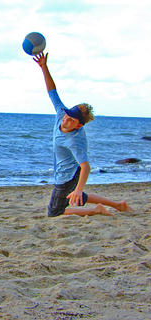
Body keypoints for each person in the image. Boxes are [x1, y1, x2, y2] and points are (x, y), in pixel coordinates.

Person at [33, 52, 132, 217]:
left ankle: (96, 210)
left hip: (67, 176)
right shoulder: (61, 114)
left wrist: (78, 188)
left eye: (71, 119)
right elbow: (52, 91)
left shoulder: (74, 141)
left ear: (78, 125)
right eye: (67, 115)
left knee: (55, 212)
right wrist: (44, 67)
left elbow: (85, 166)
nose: (66, 119)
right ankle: (117, 205)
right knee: (74, 196)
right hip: (69, 172)